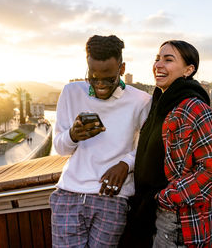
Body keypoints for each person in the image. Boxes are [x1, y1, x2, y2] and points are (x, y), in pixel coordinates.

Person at [50, 35, 151, 247]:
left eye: (108, 78)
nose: (100, 85)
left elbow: (146, 148)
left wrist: (125, 165)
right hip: (68, 194)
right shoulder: (70, 92)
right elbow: (60, 148)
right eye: (93, 78)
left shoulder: (141, 100)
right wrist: (73, 135)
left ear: (122, 69)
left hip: (112, 197)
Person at [123, 40, 212, 248]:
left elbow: (211, 171)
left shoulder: (194, 107)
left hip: (178, 220)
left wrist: (165, 199)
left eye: (168, 60)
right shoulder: (160, 104)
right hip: (152, 214)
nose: (158, 65)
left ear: (189, 69)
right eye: (157, 59)